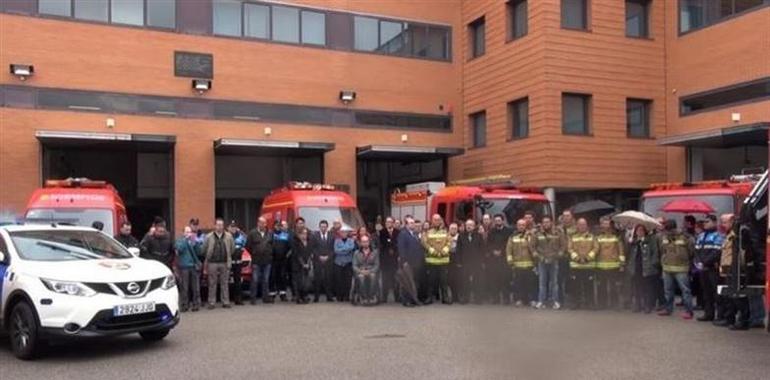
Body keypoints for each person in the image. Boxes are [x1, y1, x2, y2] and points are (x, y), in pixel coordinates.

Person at [714, 214, 750, 330]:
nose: (722, 225)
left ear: (732, 222)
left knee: (739, 296)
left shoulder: (738, 233)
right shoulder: (729, 235)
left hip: (735, 269)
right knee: (729, 296)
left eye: (724, 222)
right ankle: (730, 319)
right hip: (728, 269)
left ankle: (743, 321)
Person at [658, 220, 695, 319]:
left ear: (674, 228)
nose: (667, 232)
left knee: (685, 290)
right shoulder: (664, 237)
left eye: (669, 230)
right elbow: (662, 250)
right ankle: (668, 309)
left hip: (681, 268)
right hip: (667, 267)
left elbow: (691, 251)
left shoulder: (686, 237)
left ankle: (689, 311)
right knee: (668, 290)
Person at [694, 215, 723, 322]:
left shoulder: (718, 236)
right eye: (704, 222)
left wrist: (704, 262)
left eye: (707, 221)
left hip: (713, 268)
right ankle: (708, 314)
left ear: (714, 222)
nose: (705, 223)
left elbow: (717, 252)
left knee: (716, 293)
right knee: (706, 292)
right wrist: (698, 262)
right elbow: (696, 251)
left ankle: (720, 315)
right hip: (702, 269)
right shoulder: (701, 236)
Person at [627, 224, 661, 314]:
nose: (639, 232)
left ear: (645, 231)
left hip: (647, 267)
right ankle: (638, 305)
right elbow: (629, 254)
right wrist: (630, 241)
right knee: (637, 287)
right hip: (636, 267)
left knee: (647, 288)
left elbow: (655, 252)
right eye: (638, 230)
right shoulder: (634, 242)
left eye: (641, 230)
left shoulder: (650, 240)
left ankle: (647, 305)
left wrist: (653, 264)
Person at [202, 218, 235, 309]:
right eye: (218, 225)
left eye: (221, 225)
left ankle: (226, 302)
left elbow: (232, 249)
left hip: (224, 262)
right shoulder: (209, 236)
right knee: (212, 283)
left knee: (225, 283)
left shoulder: (229, 236)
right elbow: (204, 249)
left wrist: (227, 256)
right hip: (212, 263)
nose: (220, 227)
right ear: (215, 226)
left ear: (223, 226)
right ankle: (212, 302)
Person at [532, 216, 563, 310]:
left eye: (547, 222)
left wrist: (557, 256)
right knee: (542, 283)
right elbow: (532, 247)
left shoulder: (558, 233)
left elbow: (563, 246)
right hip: (542, 261)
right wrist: (539, 257)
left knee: (554, 283)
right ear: (542, 224)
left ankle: (555, 302)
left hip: (554, 261)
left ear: (551, 223)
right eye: (544, 222)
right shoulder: (537, 234)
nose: (546, 224)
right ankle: (541, 301)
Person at [594, 216, 625, 310]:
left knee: (614, 286)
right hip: (600, 265)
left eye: (607, 223)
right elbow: (595, 250)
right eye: (604, 223)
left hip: (614, 265)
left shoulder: (616, 236)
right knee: (601, 286)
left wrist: (622, 264)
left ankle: (615, 304)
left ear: (610, 224)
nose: (605, 225)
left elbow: (621, 251)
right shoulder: (597, 236)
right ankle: (601, 304)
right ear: (601, 225)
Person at [421, 214, 452, 305]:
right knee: (431, 281)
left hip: (443, 261)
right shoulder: (428, 232)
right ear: (432, 221)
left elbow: (449, 242)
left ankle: (445, 298)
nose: (437, 221)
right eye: (435, 220)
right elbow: (425, 243)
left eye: (438, 220)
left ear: (441, 220)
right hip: (432, 261)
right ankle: (429, 298)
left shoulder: (445, 232)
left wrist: (444, 251)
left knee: (444, 281)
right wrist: (433, 251)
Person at [567, 218, 597, 310]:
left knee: (589, 285)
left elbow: (596, 248)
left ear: (587, 226)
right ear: (577, 226)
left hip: (589, 265)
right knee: (576, 286)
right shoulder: (573, 237)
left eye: (583, 224)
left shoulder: (592, 237)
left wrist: (588, 258)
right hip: (576, 265)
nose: (582, 226)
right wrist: (577, 258)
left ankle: (590, 303)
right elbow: (569, 248)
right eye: (580, 225)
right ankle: (576, 303)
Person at [396, 216, 424, 307]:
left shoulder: (414, 234)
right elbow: (401, 249)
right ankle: (406, 300)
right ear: (406, 224)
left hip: (416, 262)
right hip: (407, 263)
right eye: (411, 223)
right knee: (406, 282)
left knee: (413, 282)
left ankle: (413, 299)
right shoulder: (403, 234)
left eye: (413, 223)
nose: (413, 224)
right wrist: (404, 262)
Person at [506, 219, 536, 307]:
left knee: (530, 284)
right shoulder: (512, 236)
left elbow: (534, 247)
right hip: (517, 265)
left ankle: (531, 300)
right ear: (516, 226)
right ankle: (519, 300)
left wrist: (529, 237)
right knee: (518, 284)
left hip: (529, 264)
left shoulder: (530, 235)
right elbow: (508, 249)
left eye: (523, 225)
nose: (521, 226)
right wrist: (510, 261)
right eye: (519, 225)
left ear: (525, 226)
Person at [246, 217, 273, 304]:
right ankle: (253, 298)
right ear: (258, 223)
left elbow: (272, 244)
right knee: (255, 279)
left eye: (265, 223)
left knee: (266, 280)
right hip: (256, 260)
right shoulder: (252, 233)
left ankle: (265, 298)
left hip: (267, 260)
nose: (263, 225)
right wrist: (254, 253)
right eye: (261, 223)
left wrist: (270, 253)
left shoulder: (270, 233)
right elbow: (247, 246)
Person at [454, 219, 482, 304]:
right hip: (464, 262)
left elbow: (482, 250)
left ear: (474, 226)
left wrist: (481, 262)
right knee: (465, 281)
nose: (469, 227)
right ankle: (465, 298)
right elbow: (458, 250)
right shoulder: (461, 236)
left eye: (471, 225)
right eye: (467, 225)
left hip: (476, 262)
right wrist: (458, 262)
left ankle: (477, 298)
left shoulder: (478, 236)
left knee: (477, 280)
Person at [176, 226, 202, 312]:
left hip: (193, 266)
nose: (188, 234)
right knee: (184, 287)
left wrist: (196, 244)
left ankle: (196, 304)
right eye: (187, 232)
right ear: (183, 233)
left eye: (190, 232)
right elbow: (179, 249)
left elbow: (199, 253)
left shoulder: (193, 241)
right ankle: (184, 305)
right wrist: (185, 240)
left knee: (195, 287)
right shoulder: (179, 241)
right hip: (184, 266)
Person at [488, 214, 512, 304]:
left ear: (502, 221)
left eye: (499, 220)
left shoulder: (508, 231)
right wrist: (493, 251)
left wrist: (501, 251)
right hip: (494, 260)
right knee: (494, 279)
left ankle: (506, 298)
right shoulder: (491, 231)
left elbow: (509, 244)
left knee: (505, 279)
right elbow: (489, 243)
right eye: (496, 220)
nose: (498, 222)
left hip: (504, 259)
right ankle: (495, 298)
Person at [312, 220, 336, 302]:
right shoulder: (314, 235)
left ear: (327, 227)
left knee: (328, 278)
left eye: (325, 227)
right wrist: (319, 256)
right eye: (322, 226)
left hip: (328, 260)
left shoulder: (332, 236)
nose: (323, 228)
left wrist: (328, 257)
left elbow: (333, 249)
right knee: (317, 279)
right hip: (317, 260)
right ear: (319, 227)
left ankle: (329, 296)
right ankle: (316, 297)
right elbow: (313, 248)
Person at [353, 234, 380, 305]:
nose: (365, 243)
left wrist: (370, 271)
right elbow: (354, 266)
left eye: (366, 241)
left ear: (369, 242)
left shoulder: (375, 252)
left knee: (373, 276)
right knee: (361, 277)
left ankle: (371, 297)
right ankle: (364, 297)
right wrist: (361, 271)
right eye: (363, 242)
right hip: (360, 271)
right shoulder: (356, 253)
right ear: (361, 243)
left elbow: (376, 265)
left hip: (371, 271)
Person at [378, 217, 400, 303]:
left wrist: (391, 245)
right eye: (387, 222)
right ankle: (384, 297)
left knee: (396, 279)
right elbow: (382, 244)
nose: (388, 223)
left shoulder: (398, 232)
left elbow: (397, 243)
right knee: (385, 279)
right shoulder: (382, 232)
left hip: (394, 259)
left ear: (393, 223)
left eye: (390, 222)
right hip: (385, 259)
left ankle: (397, 297)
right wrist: (390, 244)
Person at [558, 210, 577, 305]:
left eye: (568, 216)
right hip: (561, 257)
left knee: (572, 279)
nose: (566, 218)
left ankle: (572, 299)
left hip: (572, 257)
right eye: (564, 216)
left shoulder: (576, 228)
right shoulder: (558, 229)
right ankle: (560, 300)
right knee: (559, 279)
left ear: (572, 217)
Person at [290, 227, 314, 304]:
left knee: (306, 282)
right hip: (298, 265)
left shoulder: (309, 242)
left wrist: (308, 263)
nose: (304, 235)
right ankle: (298, 297)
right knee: (298, 282)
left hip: (307, 265)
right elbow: (297, 255)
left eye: (306, 233)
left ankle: (305, 296)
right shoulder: (295, 242)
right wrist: (303, 264)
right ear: (299, 234)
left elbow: (310, 254)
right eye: (303, 233)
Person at [271, 220, 292, 302]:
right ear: (274, 226)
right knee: (273, 277)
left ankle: (283, 294)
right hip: (273, 260)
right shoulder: (271, 235)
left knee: (283, 277)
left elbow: (290, 248)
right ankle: (272, 294)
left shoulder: (286, 235)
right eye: (276, 225)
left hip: (283, 260)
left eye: (279, 226)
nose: (278, 227)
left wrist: (287, 256)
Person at [333, 228, 356, 302]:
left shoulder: (351, 240)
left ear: (347, 233)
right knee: (339, 280)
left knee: (348, 281)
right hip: (338, 263)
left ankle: (347, 296)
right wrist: (346, 250)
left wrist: (342, 249)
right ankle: (339, 296)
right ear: (340, 233)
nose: (343, 234)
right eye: (342, 232)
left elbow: (351, 248)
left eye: (345, 232)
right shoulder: (336, 241)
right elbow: (336, 250)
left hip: (348, 263)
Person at [228, 221, 246, 305]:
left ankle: (238, 299)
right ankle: (226, 300)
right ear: (229, 228)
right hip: (228, 262)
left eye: (234, 227)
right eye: (231, 227)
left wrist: (242, 250)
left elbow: (246, 244)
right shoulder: (227, 236)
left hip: (238, 262)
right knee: (226, 282)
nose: (233, 229)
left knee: (238, 282)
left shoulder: (241, 237)